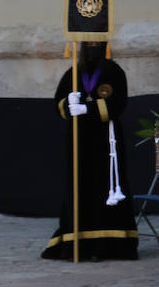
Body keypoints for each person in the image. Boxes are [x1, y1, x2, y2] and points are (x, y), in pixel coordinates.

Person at [43, 41, 139, 261]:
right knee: (80, 185)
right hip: (79, 139)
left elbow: (118, 102)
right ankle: (78, 243)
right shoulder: (73, 73)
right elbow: (58, 102)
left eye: (97, 44)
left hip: (106, 139)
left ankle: (110, 245)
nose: (93, 48)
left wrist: (89, 108)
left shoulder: (114, 71)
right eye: (89, 44)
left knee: (105, 186)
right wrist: (68, 104)